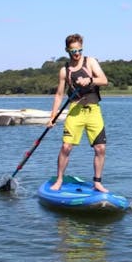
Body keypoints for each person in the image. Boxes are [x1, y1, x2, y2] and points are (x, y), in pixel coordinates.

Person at [47, 34, 109, 192]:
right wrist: (52, 117)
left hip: (93, 110)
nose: (77, 53)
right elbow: (59, 95)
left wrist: (90, 80)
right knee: (66, 147)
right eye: (73, 50)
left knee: (100, 148)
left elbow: (104, 80)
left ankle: (97, 182)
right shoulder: (64, 70)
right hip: (75, 111)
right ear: (67, 50)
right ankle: (59, 180)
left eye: (79, 50)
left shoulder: (90, 62)